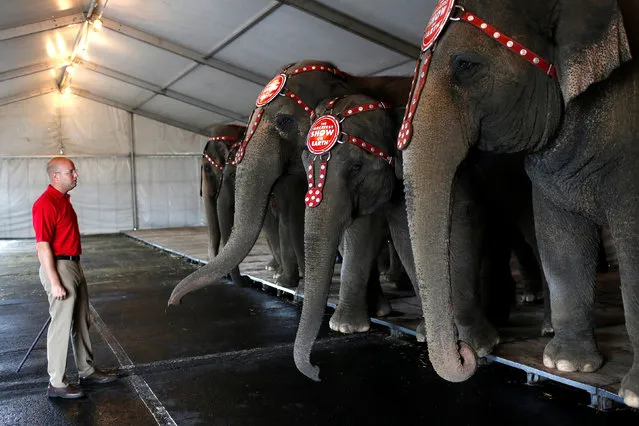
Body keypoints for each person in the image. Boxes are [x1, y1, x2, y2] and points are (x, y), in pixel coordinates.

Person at [32, 157, 117, 399]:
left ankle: (87, 370)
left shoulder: (63, 201)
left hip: (73, 264)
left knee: (82, 321)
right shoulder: (46, 203)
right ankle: (57, 383)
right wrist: (55, 281)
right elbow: (42, 246)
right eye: (71, 172)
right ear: (55, 176)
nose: (76, 175)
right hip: (59, 267)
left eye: (75, 171)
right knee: (60, 325)